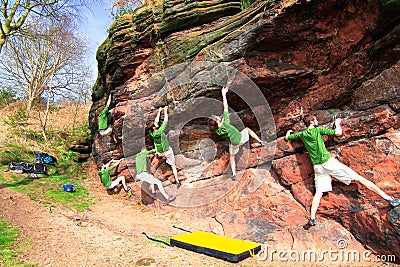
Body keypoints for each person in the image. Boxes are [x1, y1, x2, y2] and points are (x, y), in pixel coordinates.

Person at [285, 114, 400, 227]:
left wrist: (289, 132)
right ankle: (389, 198)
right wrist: (337, 124)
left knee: (319, 192)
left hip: (317, 167)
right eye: (315, 120)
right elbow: (338, 133)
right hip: (328, 162)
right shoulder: (318, 130)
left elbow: (288, 137)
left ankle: (312, 218)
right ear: (311, 122)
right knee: (359, 178)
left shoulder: (303, 134)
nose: (317, 122)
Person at [209, 87, 266, 181]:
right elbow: (226, 107)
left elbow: (219, 124)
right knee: (247, 129)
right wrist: (223, 94)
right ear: (219, 123)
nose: (219, 118)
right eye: (218, 119)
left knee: (232, 156)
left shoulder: (218, 131)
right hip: (241, 138)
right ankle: (260, 141)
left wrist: (220, 120)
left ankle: (234, 174)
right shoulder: (226, 123)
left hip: (234, 143)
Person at [149, 106, 181, 187]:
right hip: (167, 151)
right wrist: (165, 110)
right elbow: (165, 121)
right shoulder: (159, 131)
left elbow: (155, 123)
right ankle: (177, 181)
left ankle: (163, 159)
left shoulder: (151, 133)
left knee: (162, 154)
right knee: (173, 165)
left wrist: (159, 111)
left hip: (160, 153)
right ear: (156, 127)